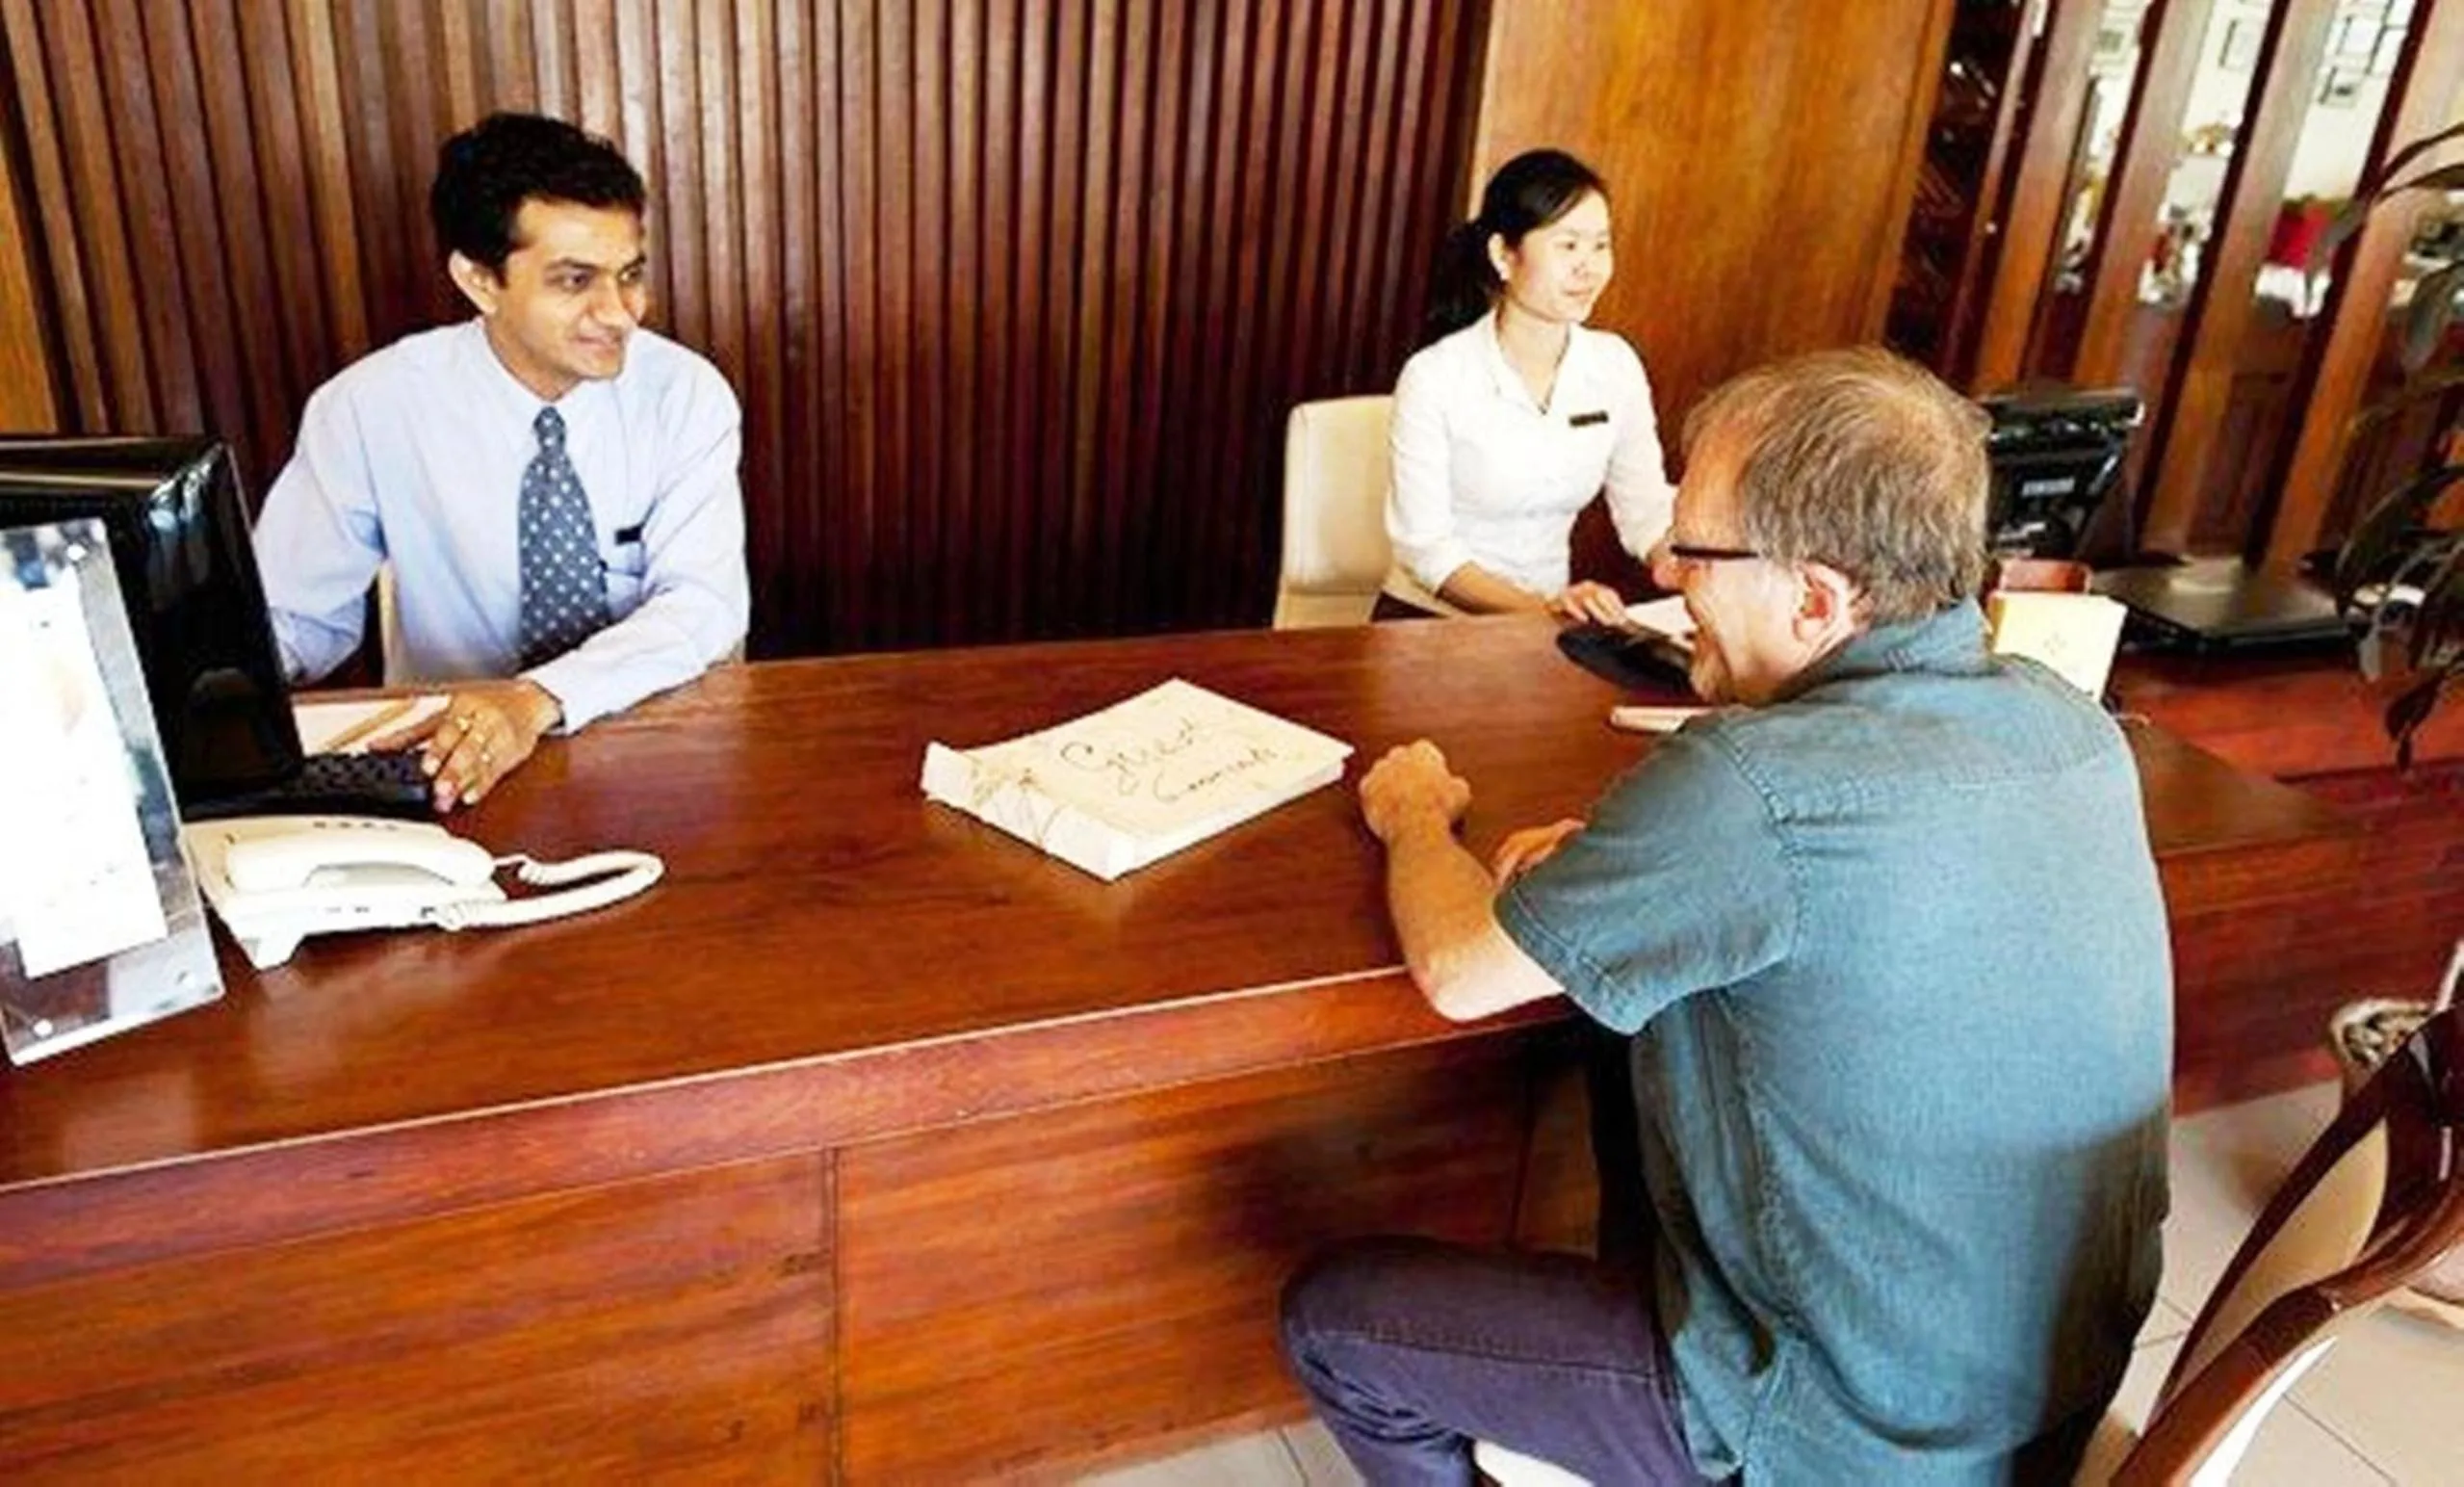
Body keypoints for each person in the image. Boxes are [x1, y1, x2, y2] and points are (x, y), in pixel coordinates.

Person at [1284, 348, 2170, 1483]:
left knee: (1338, 1319)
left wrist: (1415, 817)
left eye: (1694, 547)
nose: (1661, 564)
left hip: (1844, 1428)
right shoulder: (2072, 726)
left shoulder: (1753, 785)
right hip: (2038, 1395)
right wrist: (1632, 871)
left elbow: (1460, 967)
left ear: (1817, 596)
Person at [253, 112, 749, 810]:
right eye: (575, 282)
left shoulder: (684, 394)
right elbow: (294, 619)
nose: (620, 314)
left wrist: (534, 701)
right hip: (449, 759)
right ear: (480, 281)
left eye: (630, 275)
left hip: (648, 740)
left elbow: (702, 607)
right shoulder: (369, 407)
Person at [1379, 149, 1672, 624]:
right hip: (1429, 625)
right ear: (1503, 254)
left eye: (1601, 245)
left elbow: (1645, 508)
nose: (1589, 267)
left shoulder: (1614, 364)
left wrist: (1681, 564)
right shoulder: (1434, 376)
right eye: (1568, 245)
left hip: (1549, 627)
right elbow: (1426, 549)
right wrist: (1544, 610)